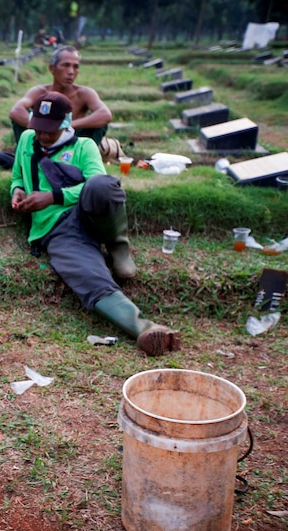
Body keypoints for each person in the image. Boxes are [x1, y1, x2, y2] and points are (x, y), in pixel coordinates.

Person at [9, 92, 180, 356]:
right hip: (57, 227)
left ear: (66, 125)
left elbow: (95, 184)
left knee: (102, 185)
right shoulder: (26, 140)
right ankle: (144, 328)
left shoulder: (84, 146)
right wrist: (17, 190)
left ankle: (118, 246)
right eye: (38, 128)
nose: (42, 136)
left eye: (50, 131)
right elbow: (18, 173)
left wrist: (54, 196)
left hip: (89, 213)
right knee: (87, 276)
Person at [9, 46, 112, 146]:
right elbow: (16, 111)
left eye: (75, 67)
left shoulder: (84, 93)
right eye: (66, 65)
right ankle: (27, 153)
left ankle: (84, 157)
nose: (71, 72)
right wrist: (43, 127)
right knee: (21, 118)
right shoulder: (39, 92)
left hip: (72, 141)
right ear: (52, 68)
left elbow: (105, 115)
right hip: (42, 139)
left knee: (100, 123)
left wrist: (64, 126)